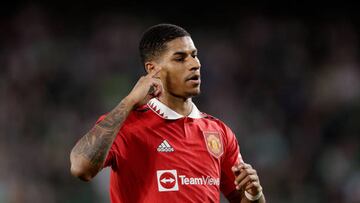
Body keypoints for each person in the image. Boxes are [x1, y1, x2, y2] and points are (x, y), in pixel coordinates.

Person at [70, 23, 266, 203]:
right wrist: (129, 101)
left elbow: (242, 198)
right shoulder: (126, 124)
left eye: (194, 55)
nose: (195, 64)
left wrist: (253, 194)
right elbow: (81, 168)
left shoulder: (219, 132)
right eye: (180, 58)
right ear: (153, 69)